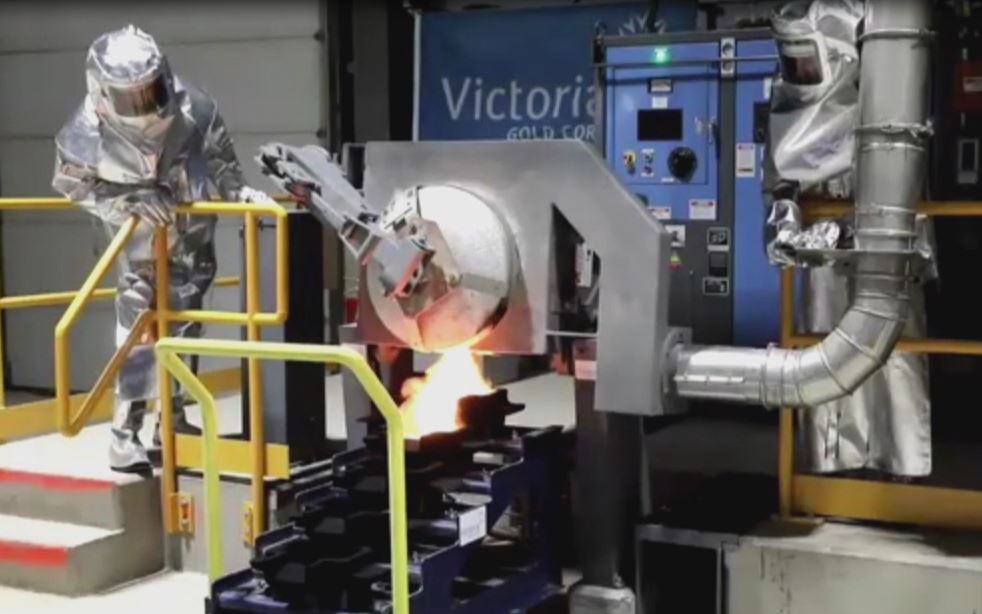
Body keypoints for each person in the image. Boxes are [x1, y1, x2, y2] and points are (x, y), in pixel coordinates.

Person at [52, 25, 275, 473]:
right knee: (139, 333)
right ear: (101, 92)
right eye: (130, 96)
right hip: (136, 240)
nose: (145, 105)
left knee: (188, 326)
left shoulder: (195, 107)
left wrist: (244, 196)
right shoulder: (87, 129)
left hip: (193, 235)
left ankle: (171, 420)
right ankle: (124, 432)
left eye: (150, 90)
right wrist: (128, 201)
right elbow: (70, 184)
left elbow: (222, 160)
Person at [764, 0, 935, 477]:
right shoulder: (788, 103)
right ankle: (831, 464)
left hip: (882, 244)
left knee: (894, 348)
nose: (799, 70)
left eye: (806, 57)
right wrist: (783, 222)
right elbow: (778, 183)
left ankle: (904, 462)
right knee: (824, 346)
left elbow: (899, 178)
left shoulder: (881, 101)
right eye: (791, 58)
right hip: (824, 256)